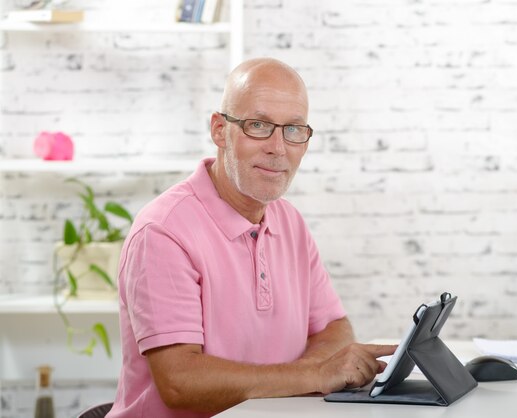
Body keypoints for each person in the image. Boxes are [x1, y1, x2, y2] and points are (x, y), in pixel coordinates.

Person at [107, 58, 396, 418]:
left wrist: (311, 377)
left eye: (293, 129)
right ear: (218, 130)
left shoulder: (289, 221)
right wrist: (314, 374)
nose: (277, 148)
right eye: (257, 125)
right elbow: (179, 382)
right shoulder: (163, 232)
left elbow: (334, 330)